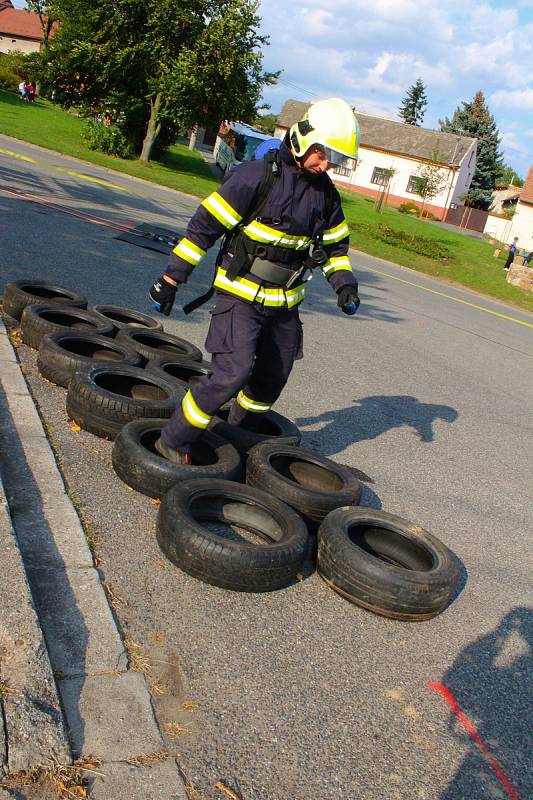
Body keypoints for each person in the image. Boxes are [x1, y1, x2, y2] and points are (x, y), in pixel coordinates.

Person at [149, 97, 361, 464]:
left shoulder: (327, 196)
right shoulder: (254, 177)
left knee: (270, 380)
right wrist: (171, 278)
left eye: (336, 159)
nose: (327, 164)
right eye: (324, 153)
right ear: (302, 139)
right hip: (240, 297)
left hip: (285, 307)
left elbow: (335, 248)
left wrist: (344, 286)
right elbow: (203, 230)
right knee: (231, 374)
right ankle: (173, 440)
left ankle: (235, 434)